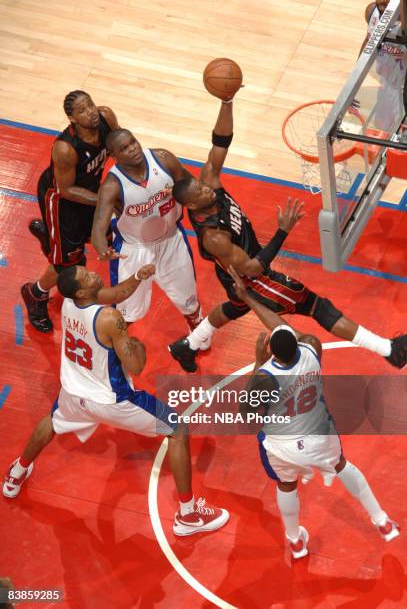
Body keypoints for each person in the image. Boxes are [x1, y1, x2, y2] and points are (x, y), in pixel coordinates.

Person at [168, 95, 407, 372]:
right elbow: (255, 268)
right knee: (318, 306)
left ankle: (187, 345)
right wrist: (283, 231)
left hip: (236, 269)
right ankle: (389, 350)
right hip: (252, 275)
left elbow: (220, 142)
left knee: (235, 306)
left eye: (202, 185)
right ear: (192, 205)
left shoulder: (209, 183)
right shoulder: (214, 237)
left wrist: (227, 101)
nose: (206, 188)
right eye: (200, 191)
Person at [4, 265, 229, 537]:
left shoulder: (70, 304)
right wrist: (136, 344)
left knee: (51, 423)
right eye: (86, 276)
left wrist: (137, 278)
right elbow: (136, 366)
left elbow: (112, 292)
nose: (91, 273)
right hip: (112, 399)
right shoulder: (109, 318)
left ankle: (15, 474)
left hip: (74, 393)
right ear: (83, 291)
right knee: (178, 430)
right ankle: (188, 515)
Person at [230, 266, 399, 559]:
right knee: (343, 465)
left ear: (272, 352)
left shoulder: (265, 375)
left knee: (286, 483)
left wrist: (257, 362)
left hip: (284, 446)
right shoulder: (312, 349)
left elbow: (246, 414)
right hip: (319, 435)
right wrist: (253, 300)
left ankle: (295, 540)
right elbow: (281, 328)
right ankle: (382, 521)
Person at [21, 90, 120, 333]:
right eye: (82, 111)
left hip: (90, 192)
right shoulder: (66, 148)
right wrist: (104, 200)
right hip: (62, 201)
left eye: (91, 105)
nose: (91, 113)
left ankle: (51, 240)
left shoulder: (106, 117)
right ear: (72, 119)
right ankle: (36, 293)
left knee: (108, 236)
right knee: (69, 264)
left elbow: (118, 148)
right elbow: (66, 189)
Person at [91, 128, 205, 338]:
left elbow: (191, 185)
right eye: (124, 148)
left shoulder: (163, 159)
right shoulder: (112, 185)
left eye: (133, 142)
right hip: (135, 251)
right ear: (114, 156)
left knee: (189, 301)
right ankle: (115, 350)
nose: (133, 148)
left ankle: (197, 336)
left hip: (172, 239)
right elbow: (98, 228)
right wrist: (102, 249)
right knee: (127, 313)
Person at [359, 0, 407, 131]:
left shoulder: (404, 24)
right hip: (386, 82)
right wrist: (356, 76)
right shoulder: (371, 11)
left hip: (403, 86)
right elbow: (367, 39)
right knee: (382, 128)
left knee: (401, 133)